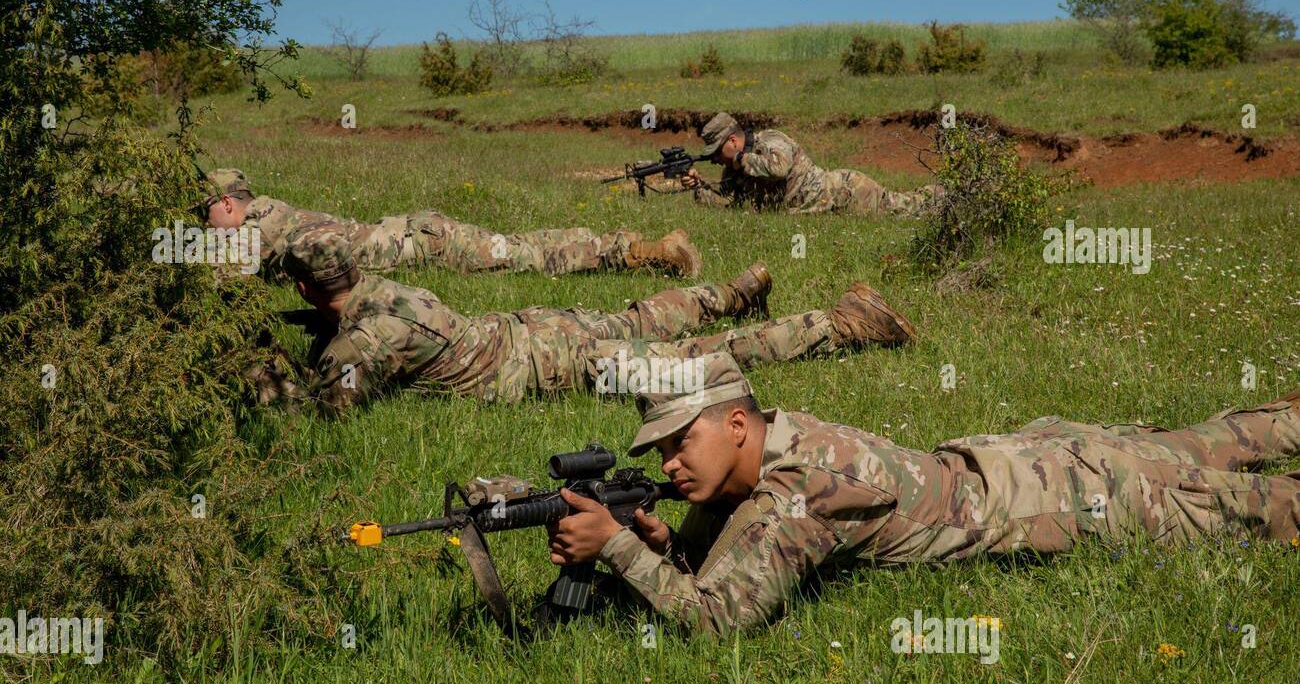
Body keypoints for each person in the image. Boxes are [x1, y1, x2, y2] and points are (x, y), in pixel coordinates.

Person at [546, 353, 1300, 636]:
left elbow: (718, 622)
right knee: (1224, 438)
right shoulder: (775, 445)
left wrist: (616, 548)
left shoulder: (802, 489)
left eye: (682, 444)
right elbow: (730, 552)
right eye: (662, 451)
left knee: (1268, 508)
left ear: (737, 424)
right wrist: (666, 548)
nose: (671, 466)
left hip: (1077, 498)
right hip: (1034, 455)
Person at [253, 248, 918, 414]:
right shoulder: (384, 287)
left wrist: (261, 379)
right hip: (540, 327)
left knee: (696, 360)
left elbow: (326, 406)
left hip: (557, 369)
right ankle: (736, 289)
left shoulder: (362, 339)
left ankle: (844, 323)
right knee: (648, 315)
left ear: (310, 288)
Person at [201, 168, 703, 280]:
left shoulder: (259, 228)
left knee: (533, 260)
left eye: (207, 215)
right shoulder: (271, 210)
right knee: (524, 246)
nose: (207, 228)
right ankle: (636, 243)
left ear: (227, 202)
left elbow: (220, 272)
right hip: (422, 232)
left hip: (428, 245)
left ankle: (655, 252)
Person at [679, 112, 940, 216]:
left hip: (845, 193)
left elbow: (778, 168)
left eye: (717, 151)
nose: (714, 158)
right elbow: (729, 204)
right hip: (825, 211)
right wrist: (698, 187)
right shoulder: (735, 168)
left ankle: (947, 195)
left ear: (733, 140)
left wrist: (739, 160)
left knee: (907, 209)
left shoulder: (770, 140)